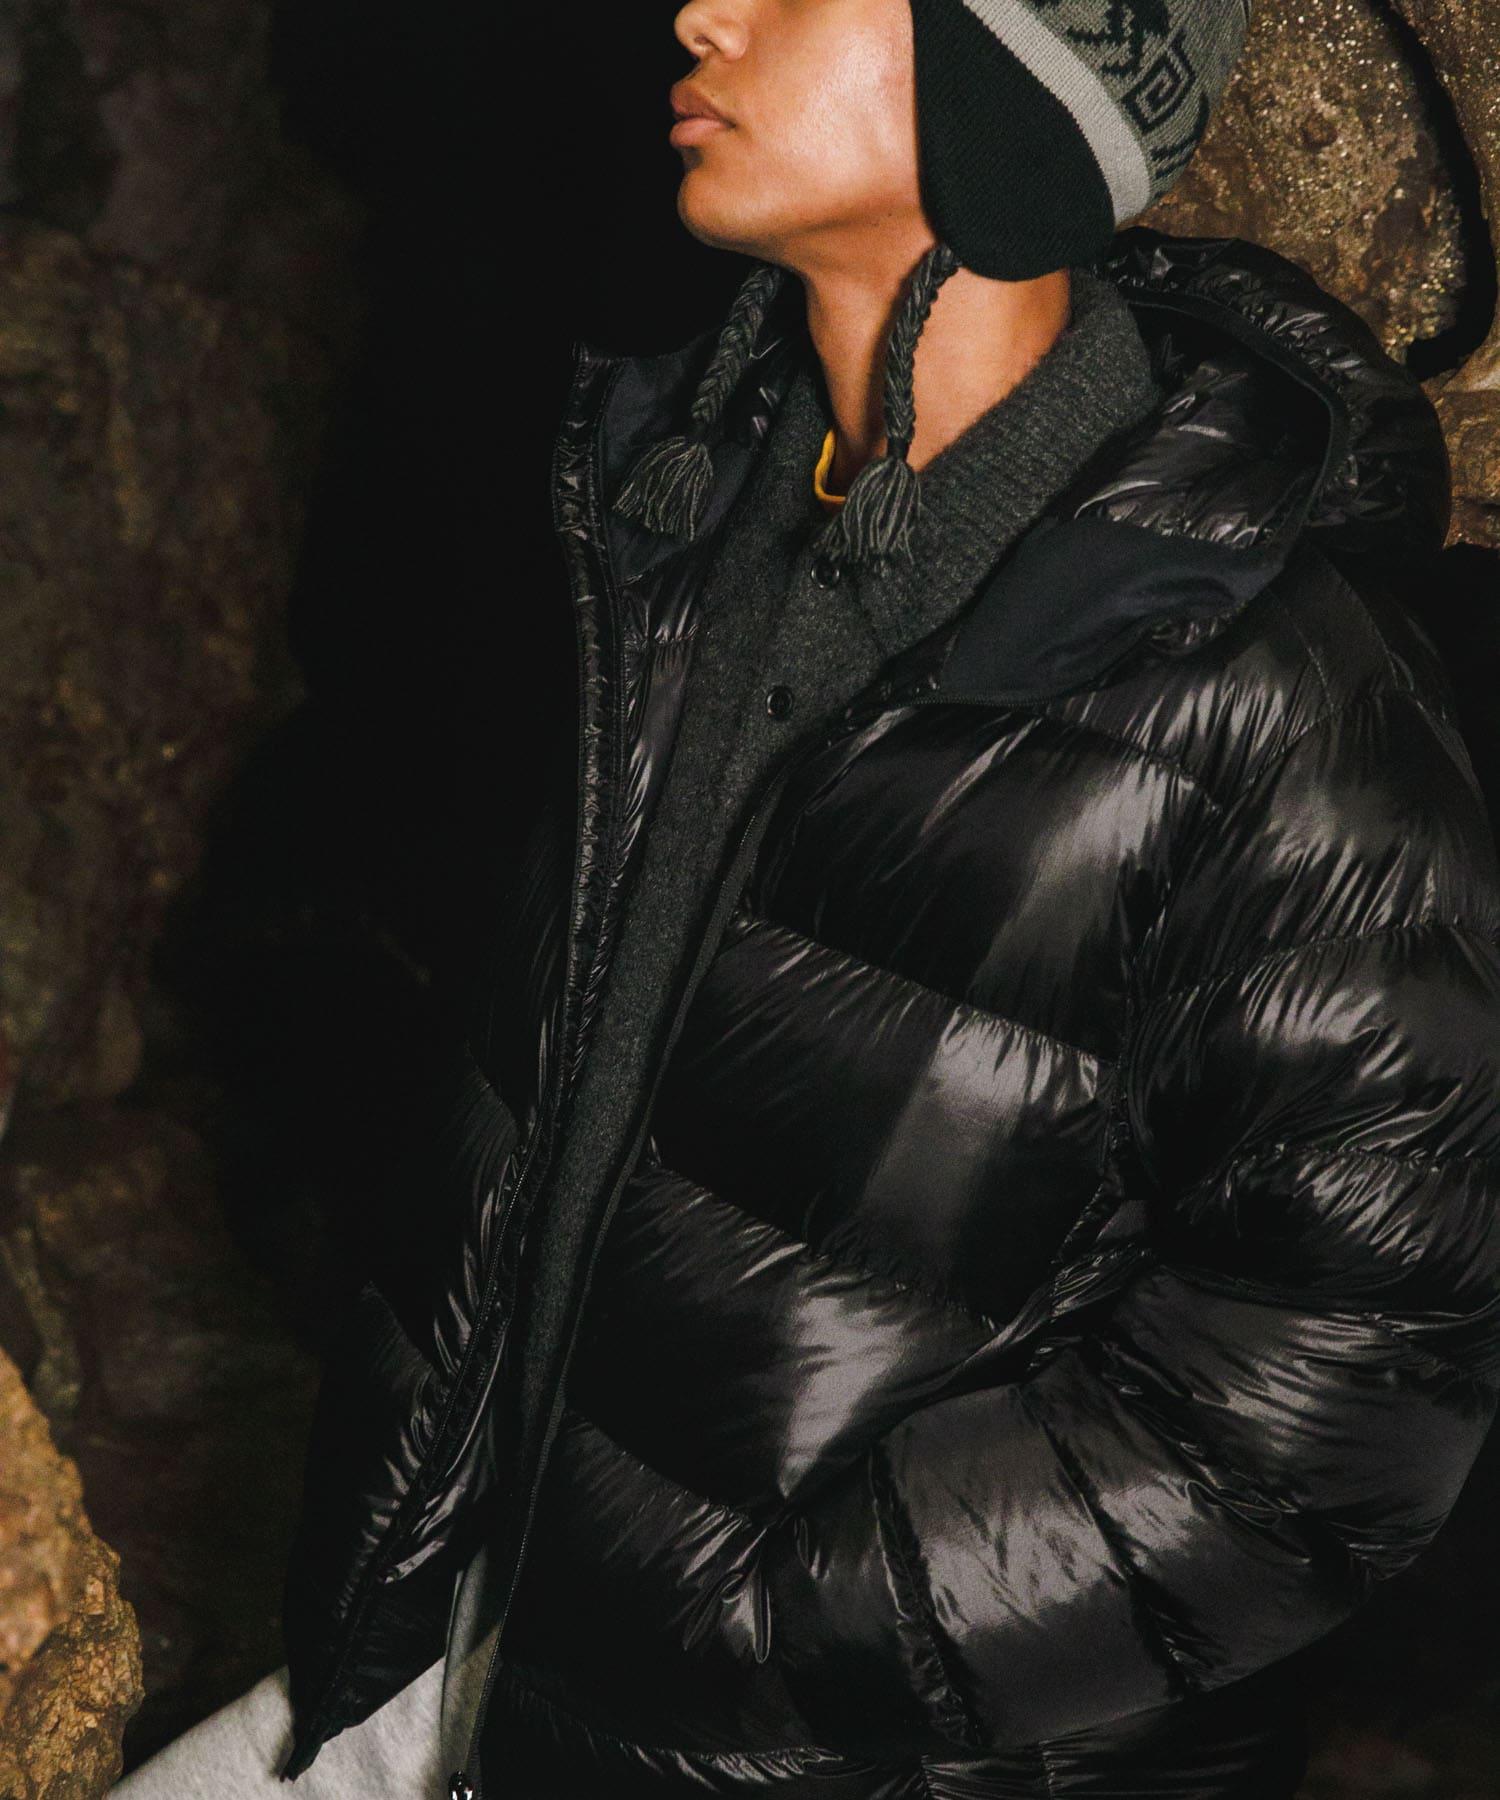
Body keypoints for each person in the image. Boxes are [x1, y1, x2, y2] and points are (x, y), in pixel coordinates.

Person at [117, 1, 1500, 1796]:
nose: (703, 9)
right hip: (477, 1644)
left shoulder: (1279, 700)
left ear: (1013, 92)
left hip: (807, 1735)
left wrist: (782, 1627)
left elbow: (1348, 1393)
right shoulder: (687, 510)